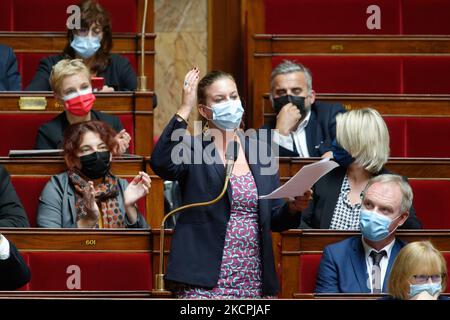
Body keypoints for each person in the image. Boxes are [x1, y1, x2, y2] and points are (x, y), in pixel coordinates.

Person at [150, 68, 311, 298]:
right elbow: (160, 163)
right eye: (220, 99)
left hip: (253, 277)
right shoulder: (193, 147)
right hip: (203, 279)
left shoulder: (260, 151)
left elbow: (274, 217)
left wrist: (293, 208)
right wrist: (184, 108)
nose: (230, 103)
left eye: (233, 97)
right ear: (205, 110)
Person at [300, 108, 421, 229]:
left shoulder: (395, 186)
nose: (335, 143)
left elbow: (412, 233)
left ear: (361, 145)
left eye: (342, 138)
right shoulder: (323, 177)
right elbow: (299, 223)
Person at [37, 121, 150, 228]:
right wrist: (89, 219)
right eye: (86, 150)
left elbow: (143, 242)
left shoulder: (122, 186)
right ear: (72, 159)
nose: (96, 154)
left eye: (102, 148)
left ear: (110, 154)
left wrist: (129, 207)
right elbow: (49, 241)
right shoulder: (58, 187)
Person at [315, 174, 411, 293]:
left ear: (402, 218)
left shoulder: (413, 259)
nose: (373, 214)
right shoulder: (335, 256)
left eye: (384, 209)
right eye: (368, 204)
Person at [26, 0, 136, 92]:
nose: (89, 37)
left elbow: (150, 100)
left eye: (96, 31)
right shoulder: (51, 65)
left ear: (103, 35)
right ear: (73, 32)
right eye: (83, 30)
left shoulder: (119, 65)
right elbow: (29, 98)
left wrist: (115, 97)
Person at [34, 58, 131, 154]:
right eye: (70, 91)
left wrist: (117, 154)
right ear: (59, 99)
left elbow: (125, 166)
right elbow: (46, 168)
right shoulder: (48, 133)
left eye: (84, 87)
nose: (80, 95)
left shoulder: (112, 123)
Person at [260, 60, 345, 157]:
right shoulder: (263, 135)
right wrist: (281, 134)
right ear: (272, 99)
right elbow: (272, 169)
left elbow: (352, 146)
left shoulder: (331, 115)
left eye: (296, 91)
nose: (289, 98)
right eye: (281, 92)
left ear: (311, 97)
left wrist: (335, 154)